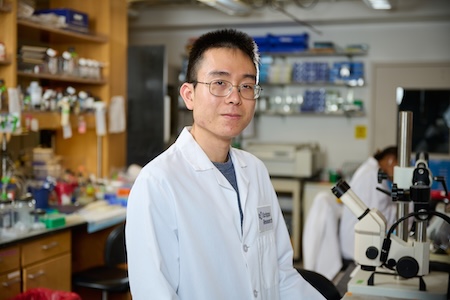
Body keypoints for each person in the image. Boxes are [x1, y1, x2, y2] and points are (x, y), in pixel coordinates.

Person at [125, 28, 325, 300]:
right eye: (219, 83)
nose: (235, 97)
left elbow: (281, 274)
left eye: (246, 86)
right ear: (189, 95)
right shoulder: (158, 182)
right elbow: (155, 293)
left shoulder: (255, 170)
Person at [339, 146, 398, 262]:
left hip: (359, 239)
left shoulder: (372, 170)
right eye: (400, 165)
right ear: (390, 160)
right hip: (356, 245)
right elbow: (379, 217)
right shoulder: (372, 175)